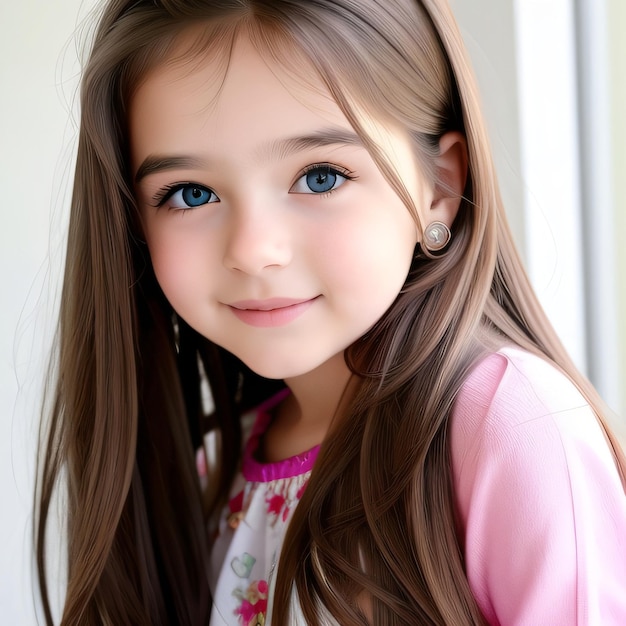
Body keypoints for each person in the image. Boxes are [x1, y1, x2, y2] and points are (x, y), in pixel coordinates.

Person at [35, 0, 626, 624]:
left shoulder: (505, 426)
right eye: (191, 194)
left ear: (440, 187)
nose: (255, 250)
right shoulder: (214, 471)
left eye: (320, 177)